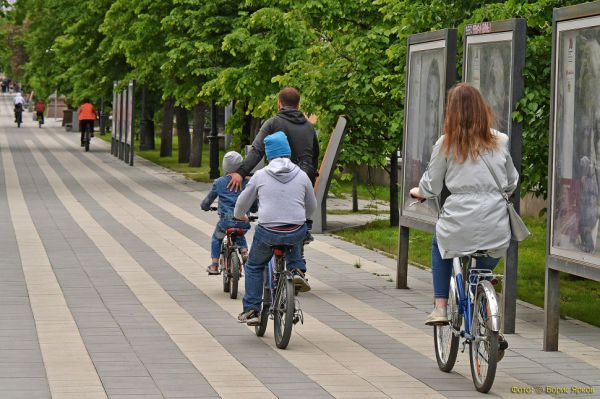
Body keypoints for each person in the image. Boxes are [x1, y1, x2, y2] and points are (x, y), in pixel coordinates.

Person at [409, 83, 518, 333]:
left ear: (452, 111)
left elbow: (432, 185)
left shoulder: (446, 143)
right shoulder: (500, 140)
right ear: (482, 109)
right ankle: (485, 311)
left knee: (440, 242)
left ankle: (440, 306)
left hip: (459, 220)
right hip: (495, 223)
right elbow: (511, 180)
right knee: (481, 268)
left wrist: (419, 192)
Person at [234, 131, 316, 325]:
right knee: (295, 235)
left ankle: (252, 309)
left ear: (269, 155)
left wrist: (240, 216)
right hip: (295, 228)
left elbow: (241, 204)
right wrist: (302, 217)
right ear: (287, 152)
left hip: (268, 231)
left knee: (254, 266)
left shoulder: (261, 176)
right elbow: (311, 206)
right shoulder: (302, 175)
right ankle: (297, 271)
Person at [227, 87, 319, 191]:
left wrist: (241, 173)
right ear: (298, 105)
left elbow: (257, 151)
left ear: (279, 103)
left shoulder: (272, 123)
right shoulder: (309, 127)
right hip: (305, 182)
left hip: (280, 181)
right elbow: (315, 156)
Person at [201, 151, 254, 275]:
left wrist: (205, 206)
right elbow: (253, 201)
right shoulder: (247, 182)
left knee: (216, 237)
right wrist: (254, 209)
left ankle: (214, 265)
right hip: (243, 221)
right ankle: (244, 253)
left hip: (226, 221)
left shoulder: (219, 182)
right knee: (240, 234)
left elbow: (208, 200)